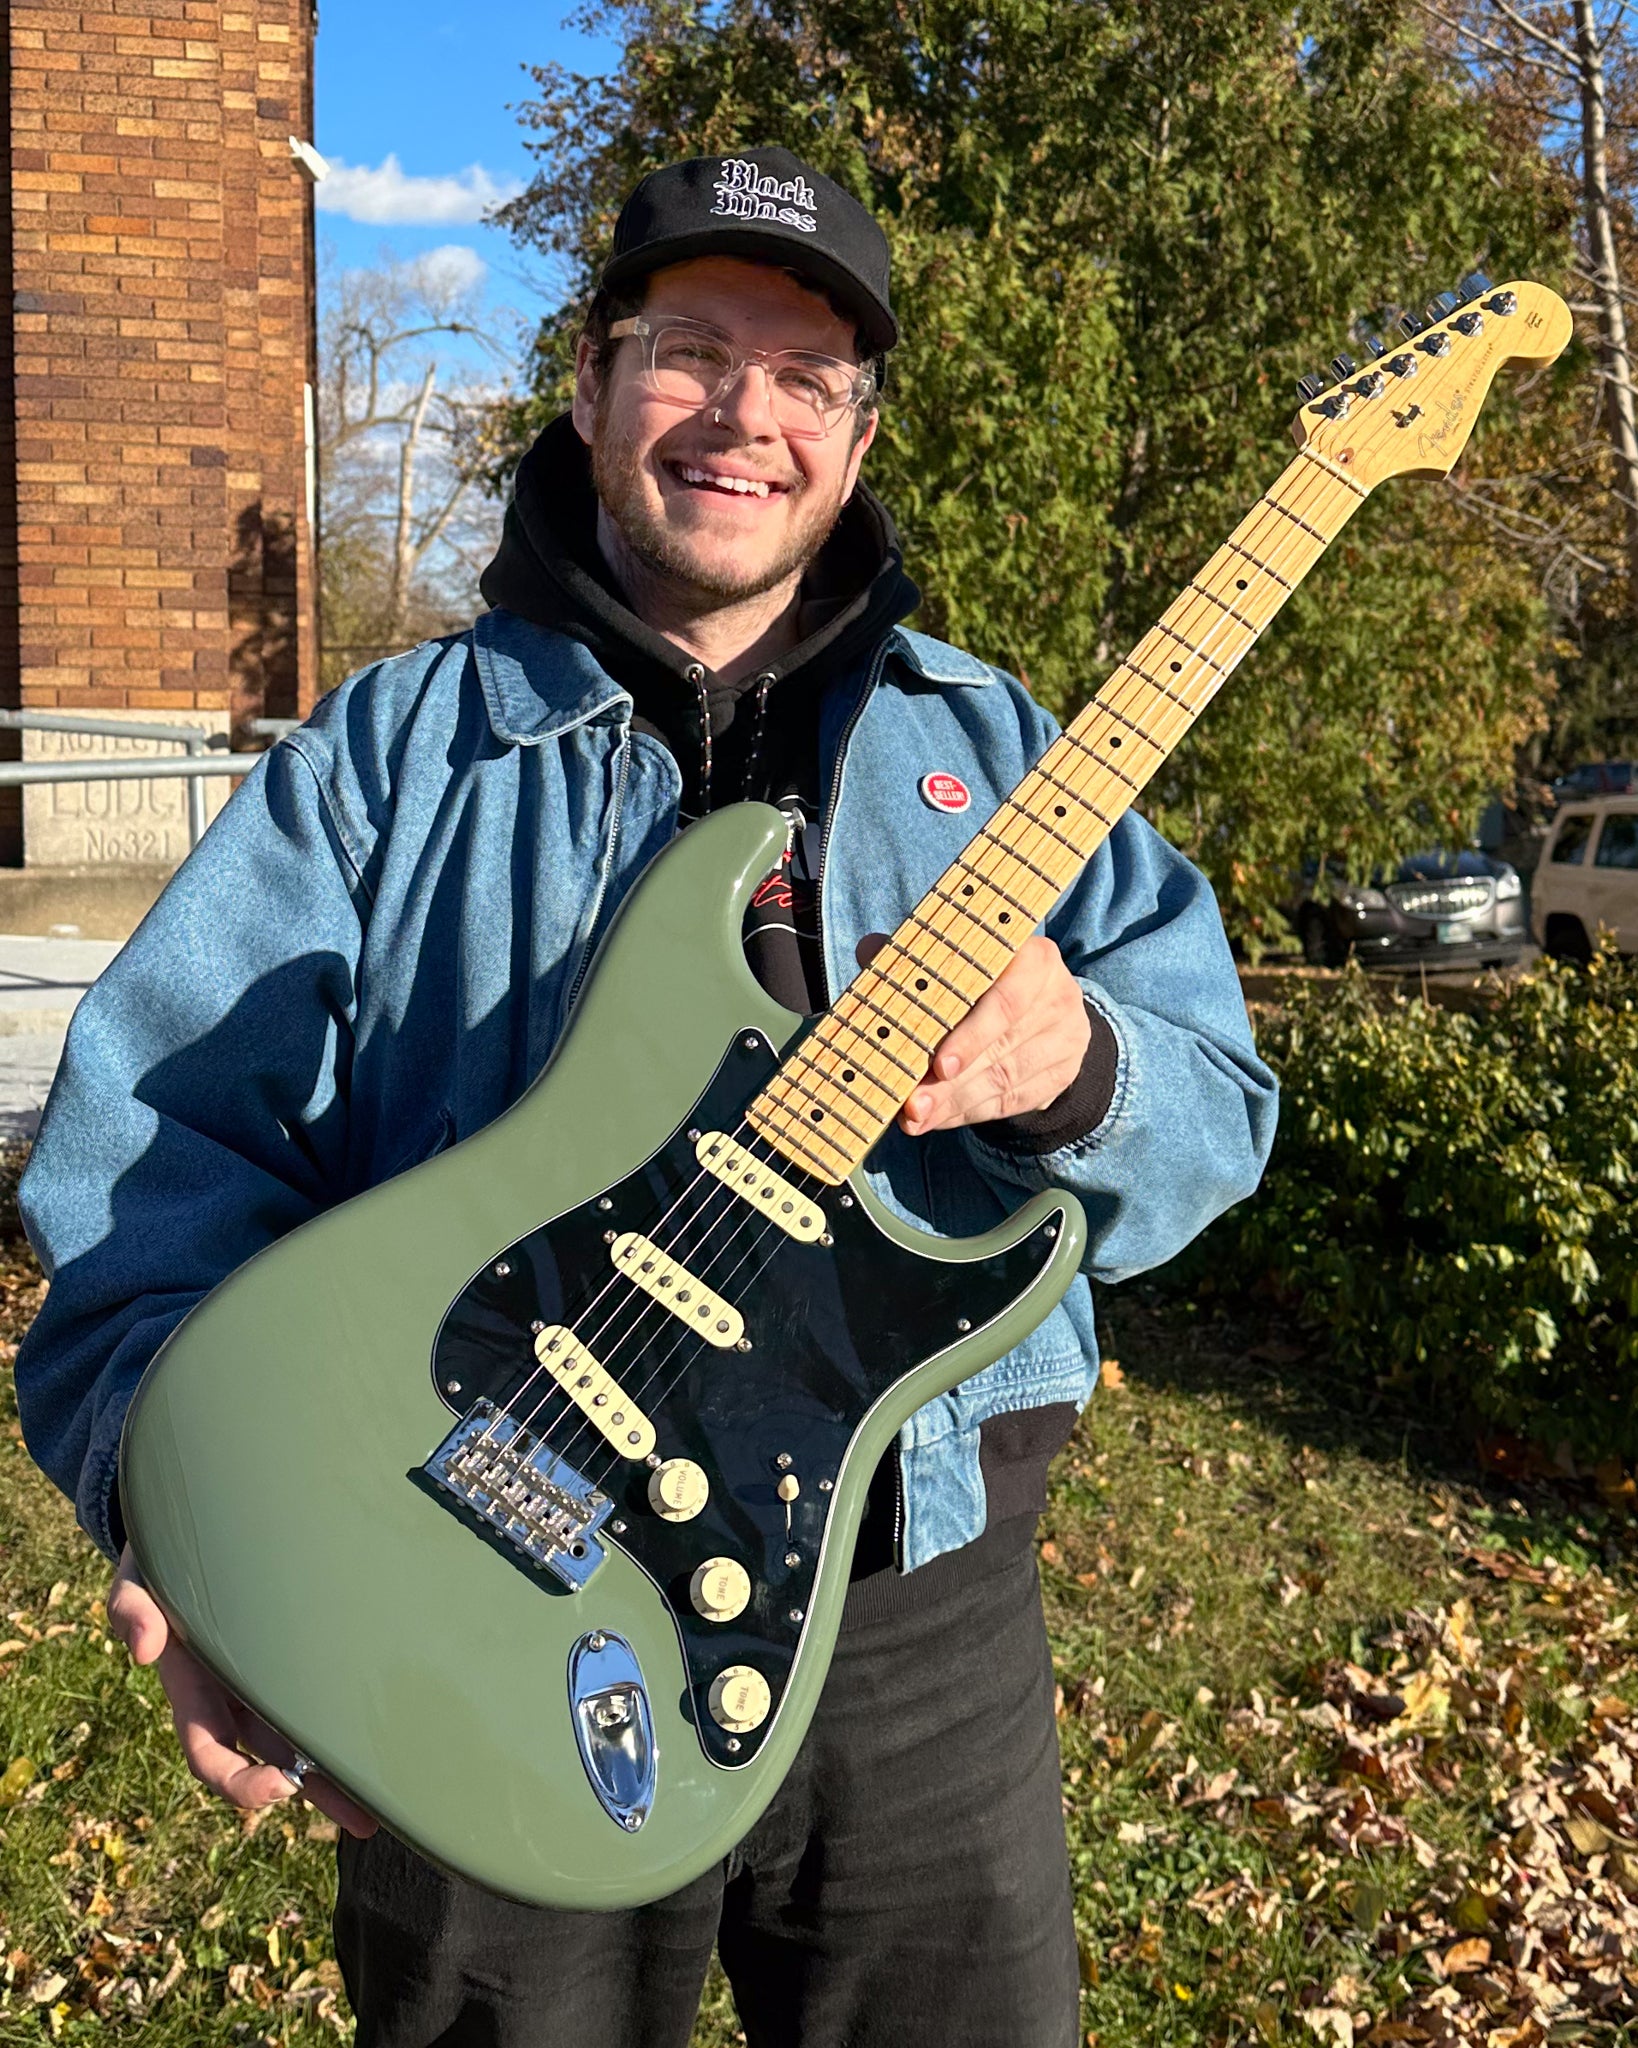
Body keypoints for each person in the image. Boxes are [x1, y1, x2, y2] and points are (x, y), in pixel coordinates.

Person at [14, 148, 1277, 2047]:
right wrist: (197, 1512)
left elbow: (1216, 1108)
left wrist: (1078, 1069)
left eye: (806, 377)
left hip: (917, 1613)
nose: (743, 417)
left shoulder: (1004, 760)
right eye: (689, 351)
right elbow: (142, 1143)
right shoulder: (395, 753)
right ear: (594, 382)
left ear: (856, 438)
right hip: (471, 1562)